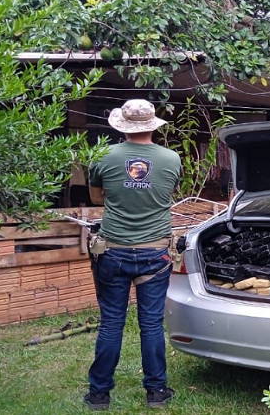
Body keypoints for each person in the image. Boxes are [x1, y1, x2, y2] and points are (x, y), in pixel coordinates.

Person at [84, 99, 181, 410]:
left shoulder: (103, 157)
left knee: (111, 322)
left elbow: (97, 196)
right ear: (152, 125)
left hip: (113, 251)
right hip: (155, 253)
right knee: (151, 324)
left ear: (122, 126)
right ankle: (156, 392)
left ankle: (99, 394)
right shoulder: (171, 158)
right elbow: (165, 194)